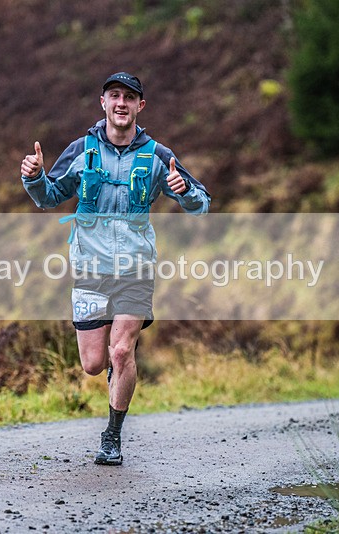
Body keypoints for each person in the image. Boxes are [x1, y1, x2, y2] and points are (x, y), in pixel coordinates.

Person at [20, 72, 210, 465]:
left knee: (121, 351)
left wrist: (186, 193)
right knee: (93, 364)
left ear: (141, 106)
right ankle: (113, 371)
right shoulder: (82, 149)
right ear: (103, 102)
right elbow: (49, 197)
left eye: (129, 97)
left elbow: (202, 204)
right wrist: (34, 178)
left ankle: (112, 437)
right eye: (114, 96)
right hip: (90, 267)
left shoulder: (158, 155)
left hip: (136, 268)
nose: (121, 103)